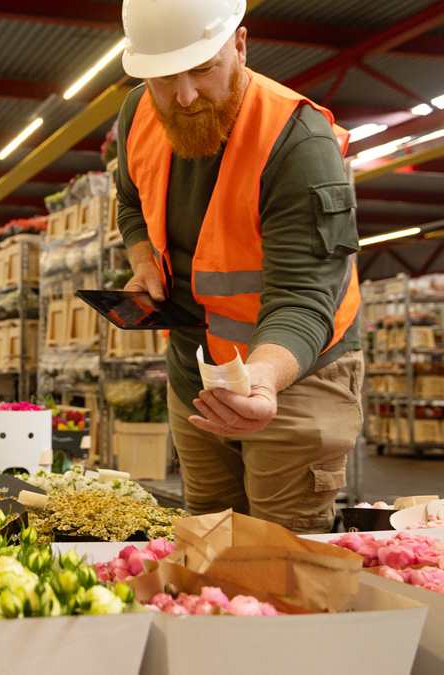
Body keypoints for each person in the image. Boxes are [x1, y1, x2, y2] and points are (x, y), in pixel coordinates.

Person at [114, 0, 364, 533]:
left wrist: (263, 381)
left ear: (241, 46)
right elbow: (130, 201)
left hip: (293, 373)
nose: (184, 96)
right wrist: (141, 257)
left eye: (203, 69)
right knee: (209, 533)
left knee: (279, 546)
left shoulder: (298, 143)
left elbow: (302, 300)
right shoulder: (139, 112)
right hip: (195, 370)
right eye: (164, 78)